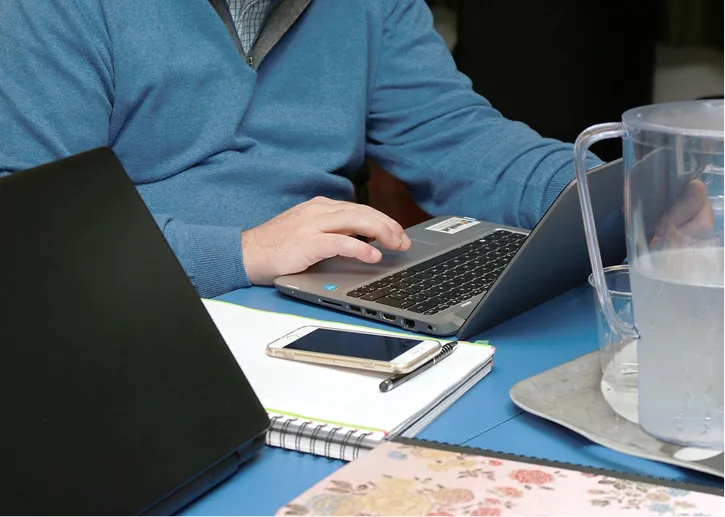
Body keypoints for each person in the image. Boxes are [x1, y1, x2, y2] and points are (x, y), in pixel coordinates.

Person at [0, 0, 710, 298]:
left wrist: (607, 194)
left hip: (327, 300)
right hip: (141, 315)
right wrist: (243, 251)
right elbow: (31, 237)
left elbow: (460, 139)